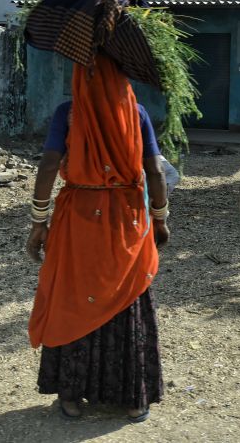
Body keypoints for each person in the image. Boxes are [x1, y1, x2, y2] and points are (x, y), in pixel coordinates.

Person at [26, 53, 170, 423]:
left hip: (78, 219)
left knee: (75, 298)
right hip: (126, 218)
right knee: (127, 298)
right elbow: (154, 170)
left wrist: (39, 221)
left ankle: (72, 397)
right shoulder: (135, 114)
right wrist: (160, 218)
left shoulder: (67, 113)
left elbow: (47, 165)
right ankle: (133, 400)